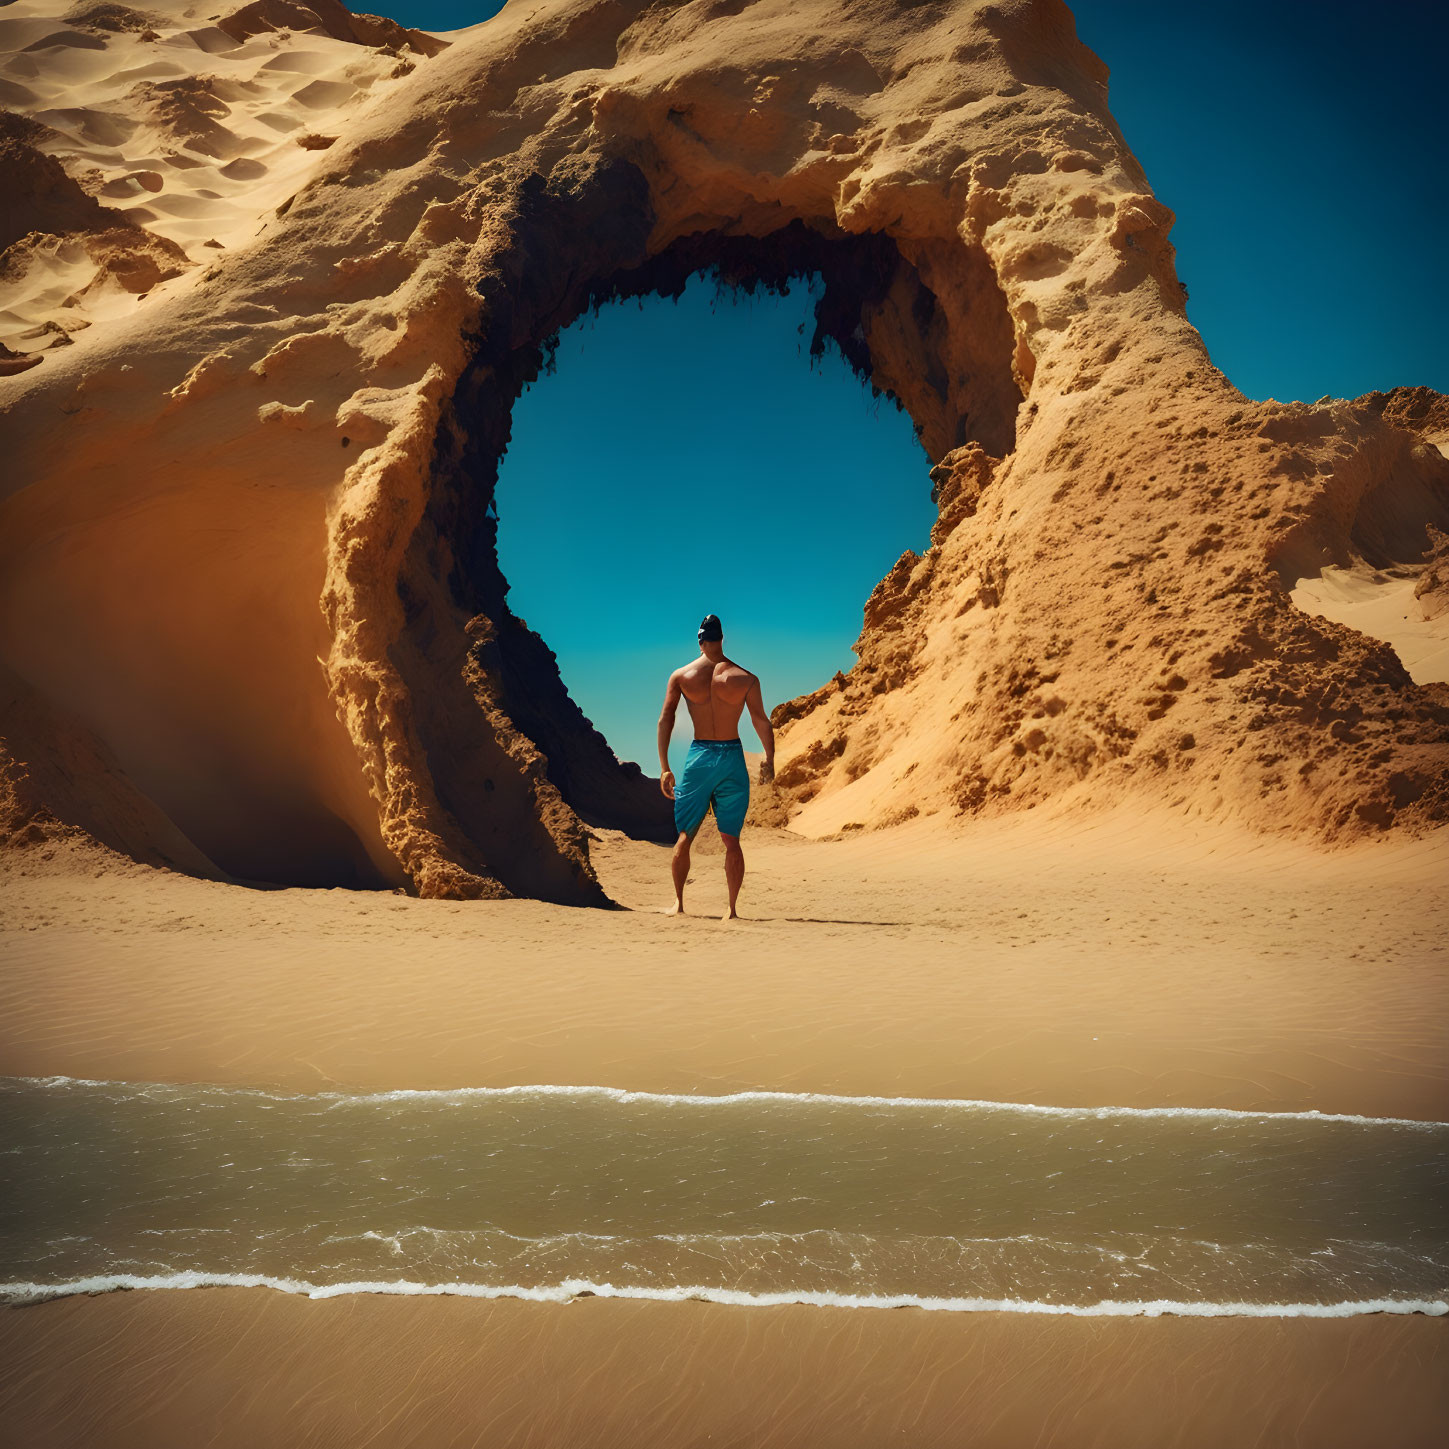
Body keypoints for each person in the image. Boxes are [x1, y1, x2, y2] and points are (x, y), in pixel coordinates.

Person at [657, 614, 775, 920]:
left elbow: (666, 719)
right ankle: (732, 910)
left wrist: (665, 766)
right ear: (722, 639)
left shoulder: (682, 675)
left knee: (685, 834)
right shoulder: (745, 678)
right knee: (731, 840)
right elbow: (760, 720)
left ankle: (679, 905)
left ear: (699, 641)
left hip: (699, 757)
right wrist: (769, 757)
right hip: (731, 756)